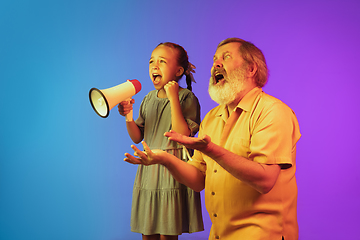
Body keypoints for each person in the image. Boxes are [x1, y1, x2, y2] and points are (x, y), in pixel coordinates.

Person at [124, 38, 301, 240]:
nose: (216, 63)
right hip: (219, 235)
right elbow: (199, 180)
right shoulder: (212, 117)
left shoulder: (272, 112)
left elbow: (265, 180)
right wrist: (164, 159)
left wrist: (211, 150)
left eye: (226, 57)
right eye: (215, 58)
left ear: (251, 69)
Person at [118, 42, 204, 240]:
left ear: (178, 71)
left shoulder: (186, 97)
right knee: (147, 231)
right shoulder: (148, 98)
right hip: (150, 170)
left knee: (167, 233)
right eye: (151, 61)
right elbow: (137, 136)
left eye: (162, 61)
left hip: (172, 171)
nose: (154, 66)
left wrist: (173, 96)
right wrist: (129, 116)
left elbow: (182, 134)